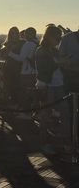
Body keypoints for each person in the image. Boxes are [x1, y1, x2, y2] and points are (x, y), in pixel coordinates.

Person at [35, 25, 64, 155]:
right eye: (57, 36)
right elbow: (44, 70)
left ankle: (55, 142)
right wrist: (58, 64)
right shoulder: (41, 51)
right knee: (46, 116)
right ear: (50, 36)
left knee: (56, 115)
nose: (59, 39)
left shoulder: (53, 50)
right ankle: (44, 143)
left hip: (58, 85)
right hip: (47, 85)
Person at [58, 26, 79, 159]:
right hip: (71, 78)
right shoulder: (67, 39)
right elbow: (60, 58)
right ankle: (72, 143)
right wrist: (69, 65)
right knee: (71, 112)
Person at [9, 27, 39, 118]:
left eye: (25, 34)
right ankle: (36, 112)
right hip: (34, 71)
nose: (23, 35)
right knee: (34, 93)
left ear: (29, 34)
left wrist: (10, 53)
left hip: (26, 72)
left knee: (24, 93)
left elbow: (21, 58)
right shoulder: (37, 43)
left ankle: (26, 113)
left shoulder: (28, 44)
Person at [0, 27, 23, 105]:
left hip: (19, 68)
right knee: (9, 87)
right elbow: (3, 55)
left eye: (15, 33)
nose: (14, 35)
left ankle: (17, 105)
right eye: (12, 33)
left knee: (18, 87)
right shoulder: (7, 44)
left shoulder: (22, 43)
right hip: (9, 68)